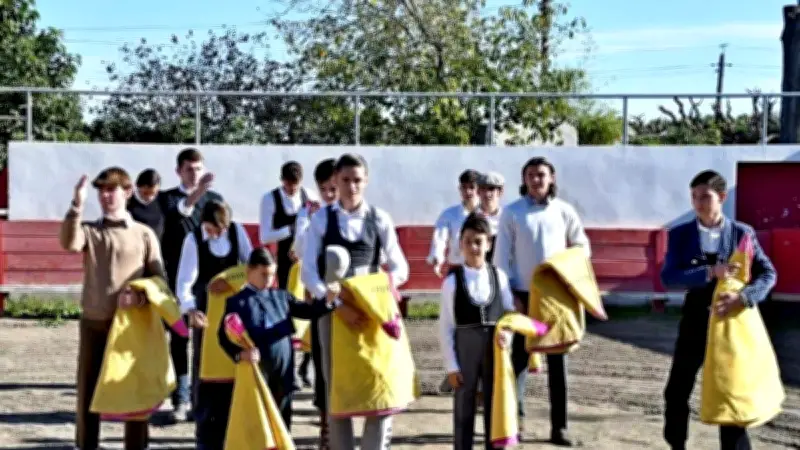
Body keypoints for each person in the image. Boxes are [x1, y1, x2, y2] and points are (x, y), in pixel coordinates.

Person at [660, 170, 776, 450]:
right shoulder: (680, 234)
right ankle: (676, 445)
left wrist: (745, 298)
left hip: (731, 320)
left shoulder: (742, 233)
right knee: (677, 389)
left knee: (731, 389)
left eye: (705, 196)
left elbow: (768, 274)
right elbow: (669, 276)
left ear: (722, 197)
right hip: (696, 317)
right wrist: (709, 271)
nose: (698, 203)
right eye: (694, 197)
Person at [300, 153, 410, 450]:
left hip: (371, 311)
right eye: (346, 180)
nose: (351, 187)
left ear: (366, 181)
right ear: (335, 179)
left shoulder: (380, 218)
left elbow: (401, 268)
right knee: (338, 386)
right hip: (333, 314)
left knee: (378, 379)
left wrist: (382, 288)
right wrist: (336, 304)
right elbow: (308, 272)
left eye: (357, 180)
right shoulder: (322, 219)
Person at [60, 167, 167, 450]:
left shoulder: (144, 234)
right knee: (89, 389)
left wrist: (140, 298)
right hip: (95, 320)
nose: (106, 196)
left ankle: (136, 445)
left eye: (112, 189)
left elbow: (160, 280)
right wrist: (76, 205)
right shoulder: (90, 231)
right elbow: (68, 243)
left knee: (135, 389)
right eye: (101, 191)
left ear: (127, 192)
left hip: (133, 325)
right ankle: (86, 444)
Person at [493, 156, 590, 447]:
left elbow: (583, 246)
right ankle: (515, 424)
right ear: (524, 179)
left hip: (556, 296)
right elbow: (501, 259)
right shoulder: (511, 213)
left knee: (558, 364)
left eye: (542, 174)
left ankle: (559, 428)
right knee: (518, 363)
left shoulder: (564, 211)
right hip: (522, 295)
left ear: (552, 178)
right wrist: (511, 300)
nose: (537, 180)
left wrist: (568, 274)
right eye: (531, 175)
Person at [218, 248, 339, 429]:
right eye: (263, 274)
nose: (268, 279)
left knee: (283, 413)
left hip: (284, 363)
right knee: (258, 416)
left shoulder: (281, 296)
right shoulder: (237, 302)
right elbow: (223, 336)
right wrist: (240, 355)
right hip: (257, 368)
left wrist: (328, 301)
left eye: (271, 274)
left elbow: (307, 311)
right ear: (249, 271)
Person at [175, 200, 253, 450]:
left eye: (218, 230)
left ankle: (237, 419)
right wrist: (190, 309)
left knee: (237, 363)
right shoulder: (193, 240)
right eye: (210, 229)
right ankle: (204, 425)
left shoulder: (238, 233)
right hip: (207, 314)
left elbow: (252, 269)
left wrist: (231, 280)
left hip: (238, 315)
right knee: (203, 368)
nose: (214, 234)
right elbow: (184, 282)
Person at [439, 213, 515, 450]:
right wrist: (451, 366)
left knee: (495, 402)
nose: (473, 247)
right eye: (468, 241)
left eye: (479, 241)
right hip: (465, 349)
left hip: (494, 349)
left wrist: (508, 335)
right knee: (464, 403)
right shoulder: (452, 282)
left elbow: (509, 314)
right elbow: (446, 326)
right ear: (460, 244)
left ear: (489, 244)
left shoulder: (499, 277)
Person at [158, 147, 222, 423]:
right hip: (176, 279)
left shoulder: (215, 199)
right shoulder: (166, 199)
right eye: (188, 169)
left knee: (210, 339)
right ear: (178, 171)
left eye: (198, 168)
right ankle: (181, 398)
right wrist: (199, 192)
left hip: (208, 282)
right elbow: (181, 214)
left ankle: (204, 398)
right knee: (180, 338)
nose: (194, 173)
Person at [292, 158, 337, 391]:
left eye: (333, 188)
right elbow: (299, 248)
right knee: (321, 346)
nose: (329, 194)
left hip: (347, 290)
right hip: (319, 287)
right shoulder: (310, 212)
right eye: (324, 189)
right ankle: (324, 411)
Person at [259, 161, 315, 290]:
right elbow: (264, 237)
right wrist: (291, 229)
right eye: (288, 184)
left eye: (296, 184)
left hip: (307, 258)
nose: (292, 188)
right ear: (281, 180)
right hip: (285, 260)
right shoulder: (269, 199)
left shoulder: (310, 196)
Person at [427, 169, 481, 277]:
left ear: (479, 189)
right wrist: (438, 258)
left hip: (482, 269)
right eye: (464, 187)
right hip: (457, 268)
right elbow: (440, 238)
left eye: (471, 187)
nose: (467, 192)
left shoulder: (488, 214)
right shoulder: (449, 214)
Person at [127, 168, 164, 240]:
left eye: (153, 194)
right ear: (137, 186)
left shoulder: (162, 199)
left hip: (157, 247)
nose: (150, 198)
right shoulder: (127, 203)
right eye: (146, 193)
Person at [476, 171, 505, 262]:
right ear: (478, 192)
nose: (487, 194)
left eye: (491, 189)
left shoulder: (508, 217)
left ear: (500, 192)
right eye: (483, 189)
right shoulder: (472, 218)